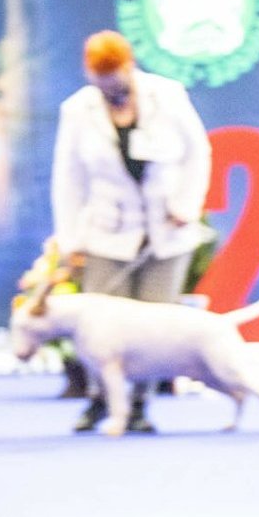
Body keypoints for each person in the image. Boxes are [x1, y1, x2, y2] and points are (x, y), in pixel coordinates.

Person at [50, 31, 213, 434]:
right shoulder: (76, 110)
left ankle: (139, 406)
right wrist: (70, 242)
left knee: (155, 328)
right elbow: (67, 180)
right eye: (99, 81)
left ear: (128, 65)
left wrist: (187, 205)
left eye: (113, 79)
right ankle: (98, 401)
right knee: (98, 330)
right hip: (107, 234)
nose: (107, 89)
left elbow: (199, 153)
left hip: (167, 233)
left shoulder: (169, 96)